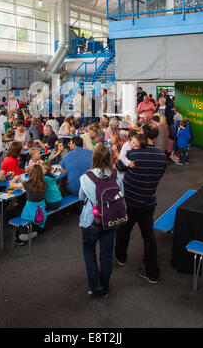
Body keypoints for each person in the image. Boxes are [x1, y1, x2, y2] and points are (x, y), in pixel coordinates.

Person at [114, 123, 167, 284]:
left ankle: (120, 257)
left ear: (143, 134)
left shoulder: (134, 153)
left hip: (129, 200)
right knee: (149, 237)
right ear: (156, 137)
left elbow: (119, 166)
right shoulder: (161, 156)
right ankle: (152, 273)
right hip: (148, 201)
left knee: (123, 230)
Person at [79, 144, 123, 298]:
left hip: (91, 219)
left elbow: (81, 197)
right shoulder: (116, 175)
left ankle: (95, 285)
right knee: (106, 254)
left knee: (88, 250)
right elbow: (120, 195)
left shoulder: (86, 177)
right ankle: (105, 288)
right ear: (109, 157)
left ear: (94, 158)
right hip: (111, 218)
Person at [21, 164, 47, 235]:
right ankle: (39, 227)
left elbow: (12, 184)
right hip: (41, 207)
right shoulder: (44, 183)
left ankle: (25, 232)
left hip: (30, 208)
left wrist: (15, 179)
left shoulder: (27, 184)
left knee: (21, 212)